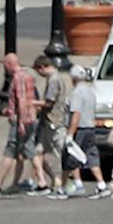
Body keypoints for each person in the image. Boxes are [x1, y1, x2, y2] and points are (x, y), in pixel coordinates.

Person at [0, 53, 50, 197]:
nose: (5, 69)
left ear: (9, 64)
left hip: (22, 119)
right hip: (31, 118)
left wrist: (20, 122)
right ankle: (36, 183)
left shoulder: (18, 78)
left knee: (10, 150)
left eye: (5, 66)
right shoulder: (28, 75)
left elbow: (22, 100)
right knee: (27, 150)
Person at [64, 63, 109, 198]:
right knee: (91, 156)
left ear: (73, 78)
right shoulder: (90, 92)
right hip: (91, 127)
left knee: (72, 157)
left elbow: (76, 114)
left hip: (80, 129)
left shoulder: (77, 93)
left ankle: (77, 184)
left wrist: (70, 134)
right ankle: (101, 184)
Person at [34, 54, 71, 198]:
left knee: (58, 154)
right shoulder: (54, 78)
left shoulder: (54, 79)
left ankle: (62, 183)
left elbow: (49, 102)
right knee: (37, 152)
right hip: (48, 122)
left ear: (43, 67)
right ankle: (50, 180)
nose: (39, 74)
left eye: (39, 71)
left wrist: (32, 103)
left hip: (54, 121)